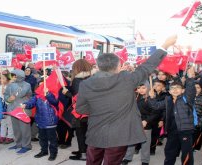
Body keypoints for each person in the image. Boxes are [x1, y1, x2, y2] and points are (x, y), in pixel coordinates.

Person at [75, 35, 177, 165]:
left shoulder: (86, 84)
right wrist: (164, 46)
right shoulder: (127, 79)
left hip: (95, 132)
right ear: (118, 66)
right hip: (119, 135)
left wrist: (98, 111)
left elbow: (80, 108)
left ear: (98, 66)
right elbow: (146, 67)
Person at [148, 67, 196, 165]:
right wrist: (152, 97)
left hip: (185, 131)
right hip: (172, 131)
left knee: (186, 153)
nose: (175, 90)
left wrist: (190, 78)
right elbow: (156, 106)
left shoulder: (187, 98)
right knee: (170, 152)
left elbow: (191, 89)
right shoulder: (167, 100)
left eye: (178, 88)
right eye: (172, 88)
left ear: (183, 91)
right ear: (169, 91)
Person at [22, 88, 59, 161]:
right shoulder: (36, 96)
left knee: (52, 139)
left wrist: (48, 94)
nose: (42, 87)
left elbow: (55, 102)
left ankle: (53, 153)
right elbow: (31, 103)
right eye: (40, 85)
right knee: (42, 138)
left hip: (50, 121)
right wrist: (26, 105)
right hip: (40, 120)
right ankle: (44, 151)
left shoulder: (53, 94)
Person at [68, 59, 95, 161]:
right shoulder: (93, 78)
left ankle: (83, 154)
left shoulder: (77, 80)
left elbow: (78, 97)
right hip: (92, 110)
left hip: (81, 111)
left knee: (80, 133)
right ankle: (83, 151)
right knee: (87, 133)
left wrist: (67, 93)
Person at [4, 69, 32, 154]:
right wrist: (8, 99)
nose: (12, 77)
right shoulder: (10, 84)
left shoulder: (27, 85)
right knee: (16, 128)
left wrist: (13, 85)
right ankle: (18, 143)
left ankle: (26, 146)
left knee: (25, 129)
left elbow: (21, 93)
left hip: (23, 109)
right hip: (13, 109)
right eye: (12, 75)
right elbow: (6, 95)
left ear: (19, 76)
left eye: (14, 75)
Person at [0, 73, 14, 144]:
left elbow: (12, 97)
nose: (1, 80)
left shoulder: (11, 86)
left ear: (7, 79)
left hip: (9, 106)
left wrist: (5, 93)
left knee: (9, 122)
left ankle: (10, 136)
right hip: (2, 106)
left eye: (3, 78)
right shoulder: (0, 86)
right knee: (3, 122)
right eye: (1, 78)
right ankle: (2, 135)